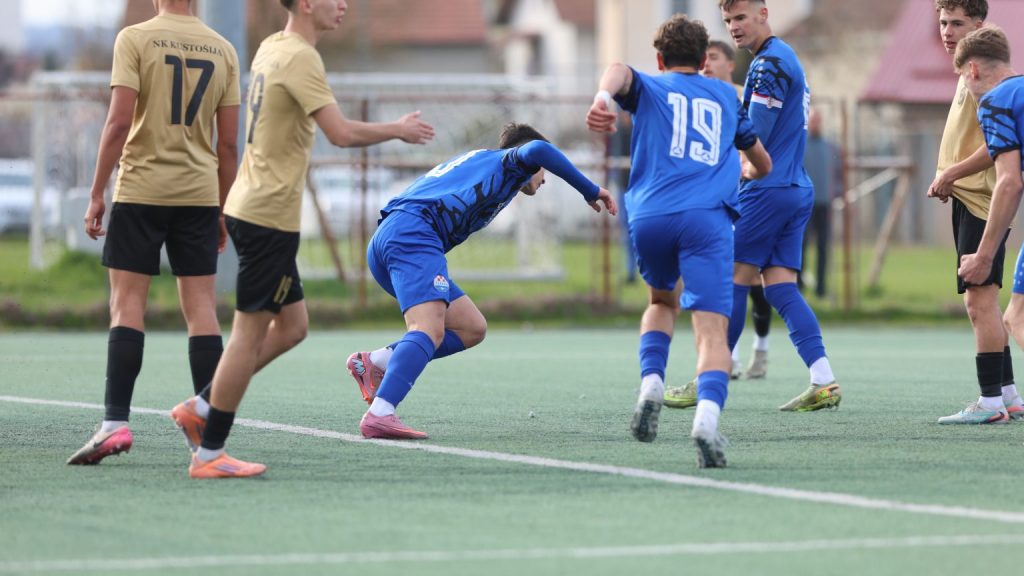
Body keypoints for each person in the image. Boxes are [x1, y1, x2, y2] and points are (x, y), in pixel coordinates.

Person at [169, 0, 435, 478]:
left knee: (293, 326)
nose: (344, 5)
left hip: (255, 208)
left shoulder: (272, 46)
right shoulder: (300, 56)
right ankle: (208, 452)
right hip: (267, 215)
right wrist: (397, 129)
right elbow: (340, 132)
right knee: (248, 334)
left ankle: (203, 406)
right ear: (308, 4)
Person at [345, 124, 616, 439]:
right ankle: (380, 413)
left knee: (471, 327)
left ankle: (376, 362)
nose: (544, 179)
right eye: (543, 172)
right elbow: (539, 150)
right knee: (428, 329)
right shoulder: (510, 163)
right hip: (413, 235)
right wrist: (590, 189)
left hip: (391, 235)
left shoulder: (484, 162)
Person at [586, 14, 771, 467]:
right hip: (706, 220)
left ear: (659, 59)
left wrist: (603, 98)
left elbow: (618, 69)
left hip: (650, 216)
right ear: (705, 59)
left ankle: (652, 383)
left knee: (661, 301)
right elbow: (761, 161)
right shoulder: (726, 95)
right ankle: (706, 419)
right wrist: (748, 171)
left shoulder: (649, 86)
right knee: (711, 329)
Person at [67, 0, 241, 465]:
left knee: (126, 305)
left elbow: (118, 123)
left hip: (141, 190)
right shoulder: (223, 49)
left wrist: (96, 193)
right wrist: (222, 209)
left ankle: (114, 424)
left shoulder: (136, 38)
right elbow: (228, 143)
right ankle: (209, 435)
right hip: (198, 195)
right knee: (202, 309)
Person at [668, 0, 841, 413]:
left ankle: (709, 376)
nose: (734, 27)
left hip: (767, 189)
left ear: (764, 14)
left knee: (733, 279)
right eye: (728, 20)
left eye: (741, 17)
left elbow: (753, 137)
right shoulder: (783, 56)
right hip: (794, 187)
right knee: (780, 287)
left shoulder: (768, 65)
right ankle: (823, 379)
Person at [927, 0, 1023, 424]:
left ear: (979, 26)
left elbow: (998, 148)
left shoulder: (984, 81)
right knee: (992, 304)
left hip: (983, 199)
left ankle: (989, 403)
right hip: (973, 198)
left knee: (979, 301)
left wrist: (951, 173)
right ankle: (1007, 395)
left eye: (957, 23)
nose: (947, 31)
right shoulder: (970, 72)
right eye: (942, 22)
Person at [952, 26, 1024, 423]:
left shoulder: (995, 101)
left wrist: (983, 255)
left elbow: (1009, 182)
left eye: (963, 78)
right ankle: (1004, 399)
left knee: (1016, 316)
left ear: (973, 70)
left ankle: (993, 402)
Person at [702, 37, 772, 380]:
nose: (706, 63)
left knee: (754, 278)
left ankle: (760, 347)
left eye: (713, 57)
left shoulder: (743, 97)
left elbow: (759, 144)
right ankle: (729, 356)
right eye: (702, 57)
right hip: (714, 196)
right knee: (724, 276)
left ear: (730, 64)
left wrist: (747, 165)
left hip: (749, 192)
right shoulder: (698, 98)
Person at [802, 107, 842, 299]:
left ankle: (821, 289)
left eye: (818, 119)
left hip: (824, 203)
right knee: (800, 245)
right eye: (813, 119)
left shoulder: (830, 147)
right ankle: (798, 285)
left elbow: (839, 174)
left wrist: (838, 193)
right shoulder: (800, 144)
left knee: (823, 246)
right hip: (804, 203)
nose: (816, 123)